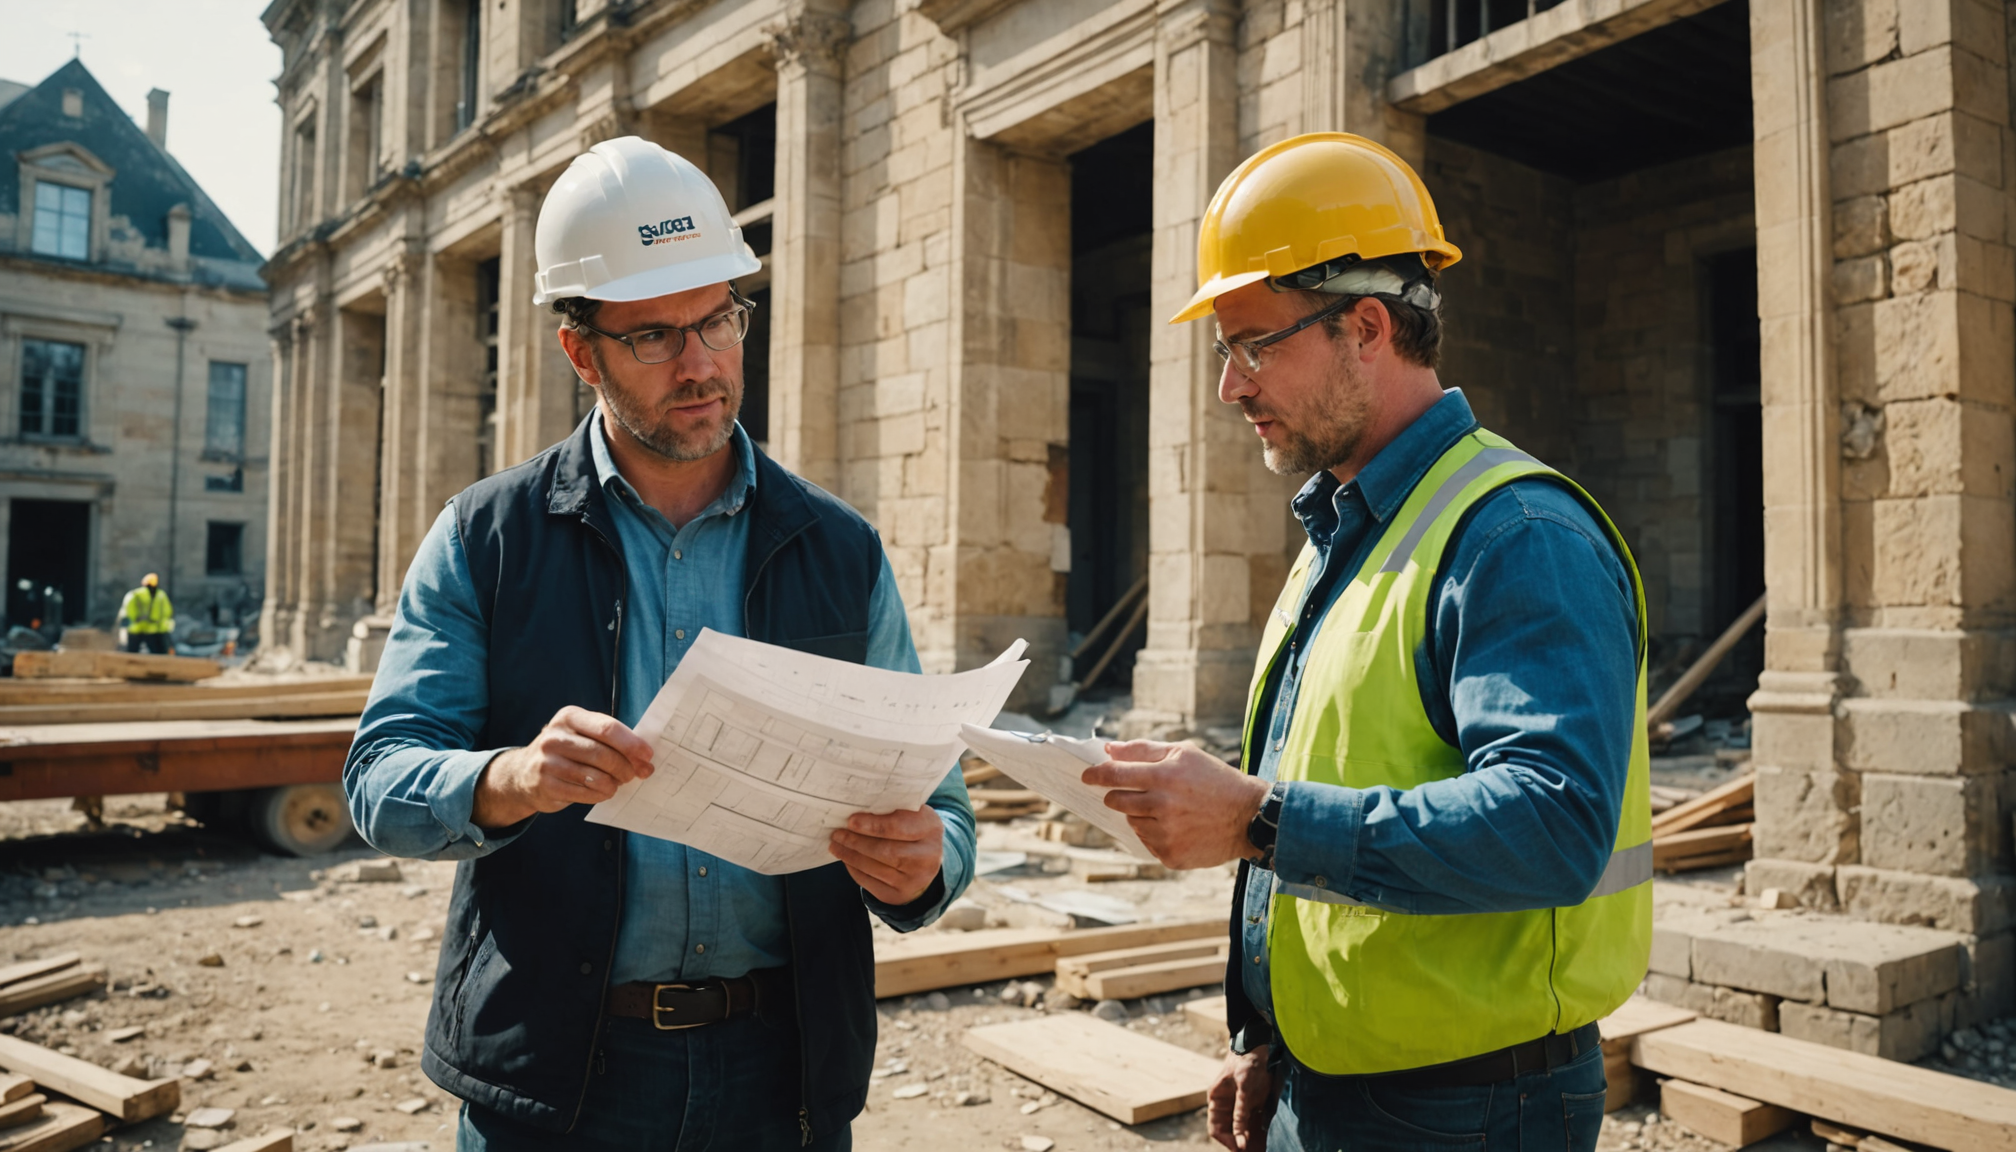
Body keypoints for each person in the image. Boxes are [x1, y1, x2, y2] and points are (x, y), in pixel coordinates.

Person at [343, 137, 974, 1152]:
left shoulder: (840, 548)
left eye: (720, 319)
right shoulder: (486, 539)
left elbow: (941, 801)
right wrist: (511, 778)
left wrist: (928, 863)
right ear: (579, 350)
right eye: (654, 337)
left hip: (783, 1075)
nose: (702, 363)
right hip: (561, 1076)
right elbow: (378, 778)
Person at [1083, 133, 1651, 1151]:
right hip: (1336, 1078)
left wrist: (1257, 820)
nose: (1231, 386)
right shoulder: (1347, 533)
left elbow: (1554, 826)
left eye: (1254, 344)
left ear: (1368, 326)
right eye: (1225, 350)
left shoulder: (1517, 535)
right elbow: (1341, 779)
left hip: (1472, 1106)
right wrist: (1273, 1042)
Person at [119, 573, 173, 653]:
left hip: (135, 628)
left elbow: (128, 609)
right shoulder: (161, 595)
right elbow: (167, 611)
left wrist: (134, 619)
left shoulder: (135, 594)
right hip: (153, 629)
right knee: (156, 654)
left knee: (132, 654)